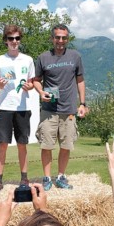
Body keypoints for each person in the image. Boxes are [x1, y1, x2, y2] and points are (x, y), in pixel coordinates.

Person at [33, 24, 89, 191]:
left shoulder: (75, 56)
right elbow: (36, 79)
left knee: (66, 145)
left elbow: (80, 80)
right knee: (47, 146)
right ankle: (47, 178)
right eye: (57, 37)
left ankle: (61, 177)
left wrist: (82, 103)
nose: (60, 40)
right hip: (49, 109)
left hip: (69, 109)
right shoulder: (43, 57)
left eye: (64, 37)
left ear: (67, 39)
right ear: (52, 38)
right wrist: (41, 92)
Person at [0, 24, 36, 194]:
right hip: (4, 107)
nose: (14, 41)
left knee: (22, 144)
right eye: (11, 39)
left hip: (22, 107)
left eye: (17, 38)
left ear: (20, 40)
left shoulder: (28, 59)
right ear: (6, 41)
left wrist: (29, 87)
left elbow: (32, 82)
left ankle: (24, 179)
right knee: (2, 145)